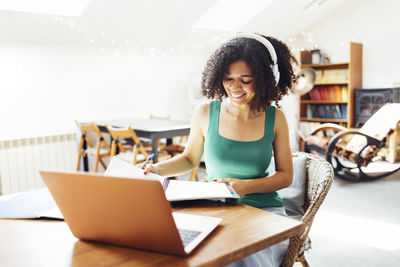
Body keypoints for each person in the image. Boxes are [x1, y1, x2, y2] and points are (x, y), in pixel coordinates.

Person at [143, 32, 297, 267]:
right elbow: (189, 159)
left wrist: (244, 186)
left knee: (242, 256)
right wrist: (154, 169)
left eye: (245, 80)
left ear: (267, 78)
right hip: (214, 204)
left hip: (263, 209)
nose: (235, 87)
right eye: (228, 78)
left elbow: (286, 176)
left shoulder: (276, 119)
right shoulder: (205, 112)